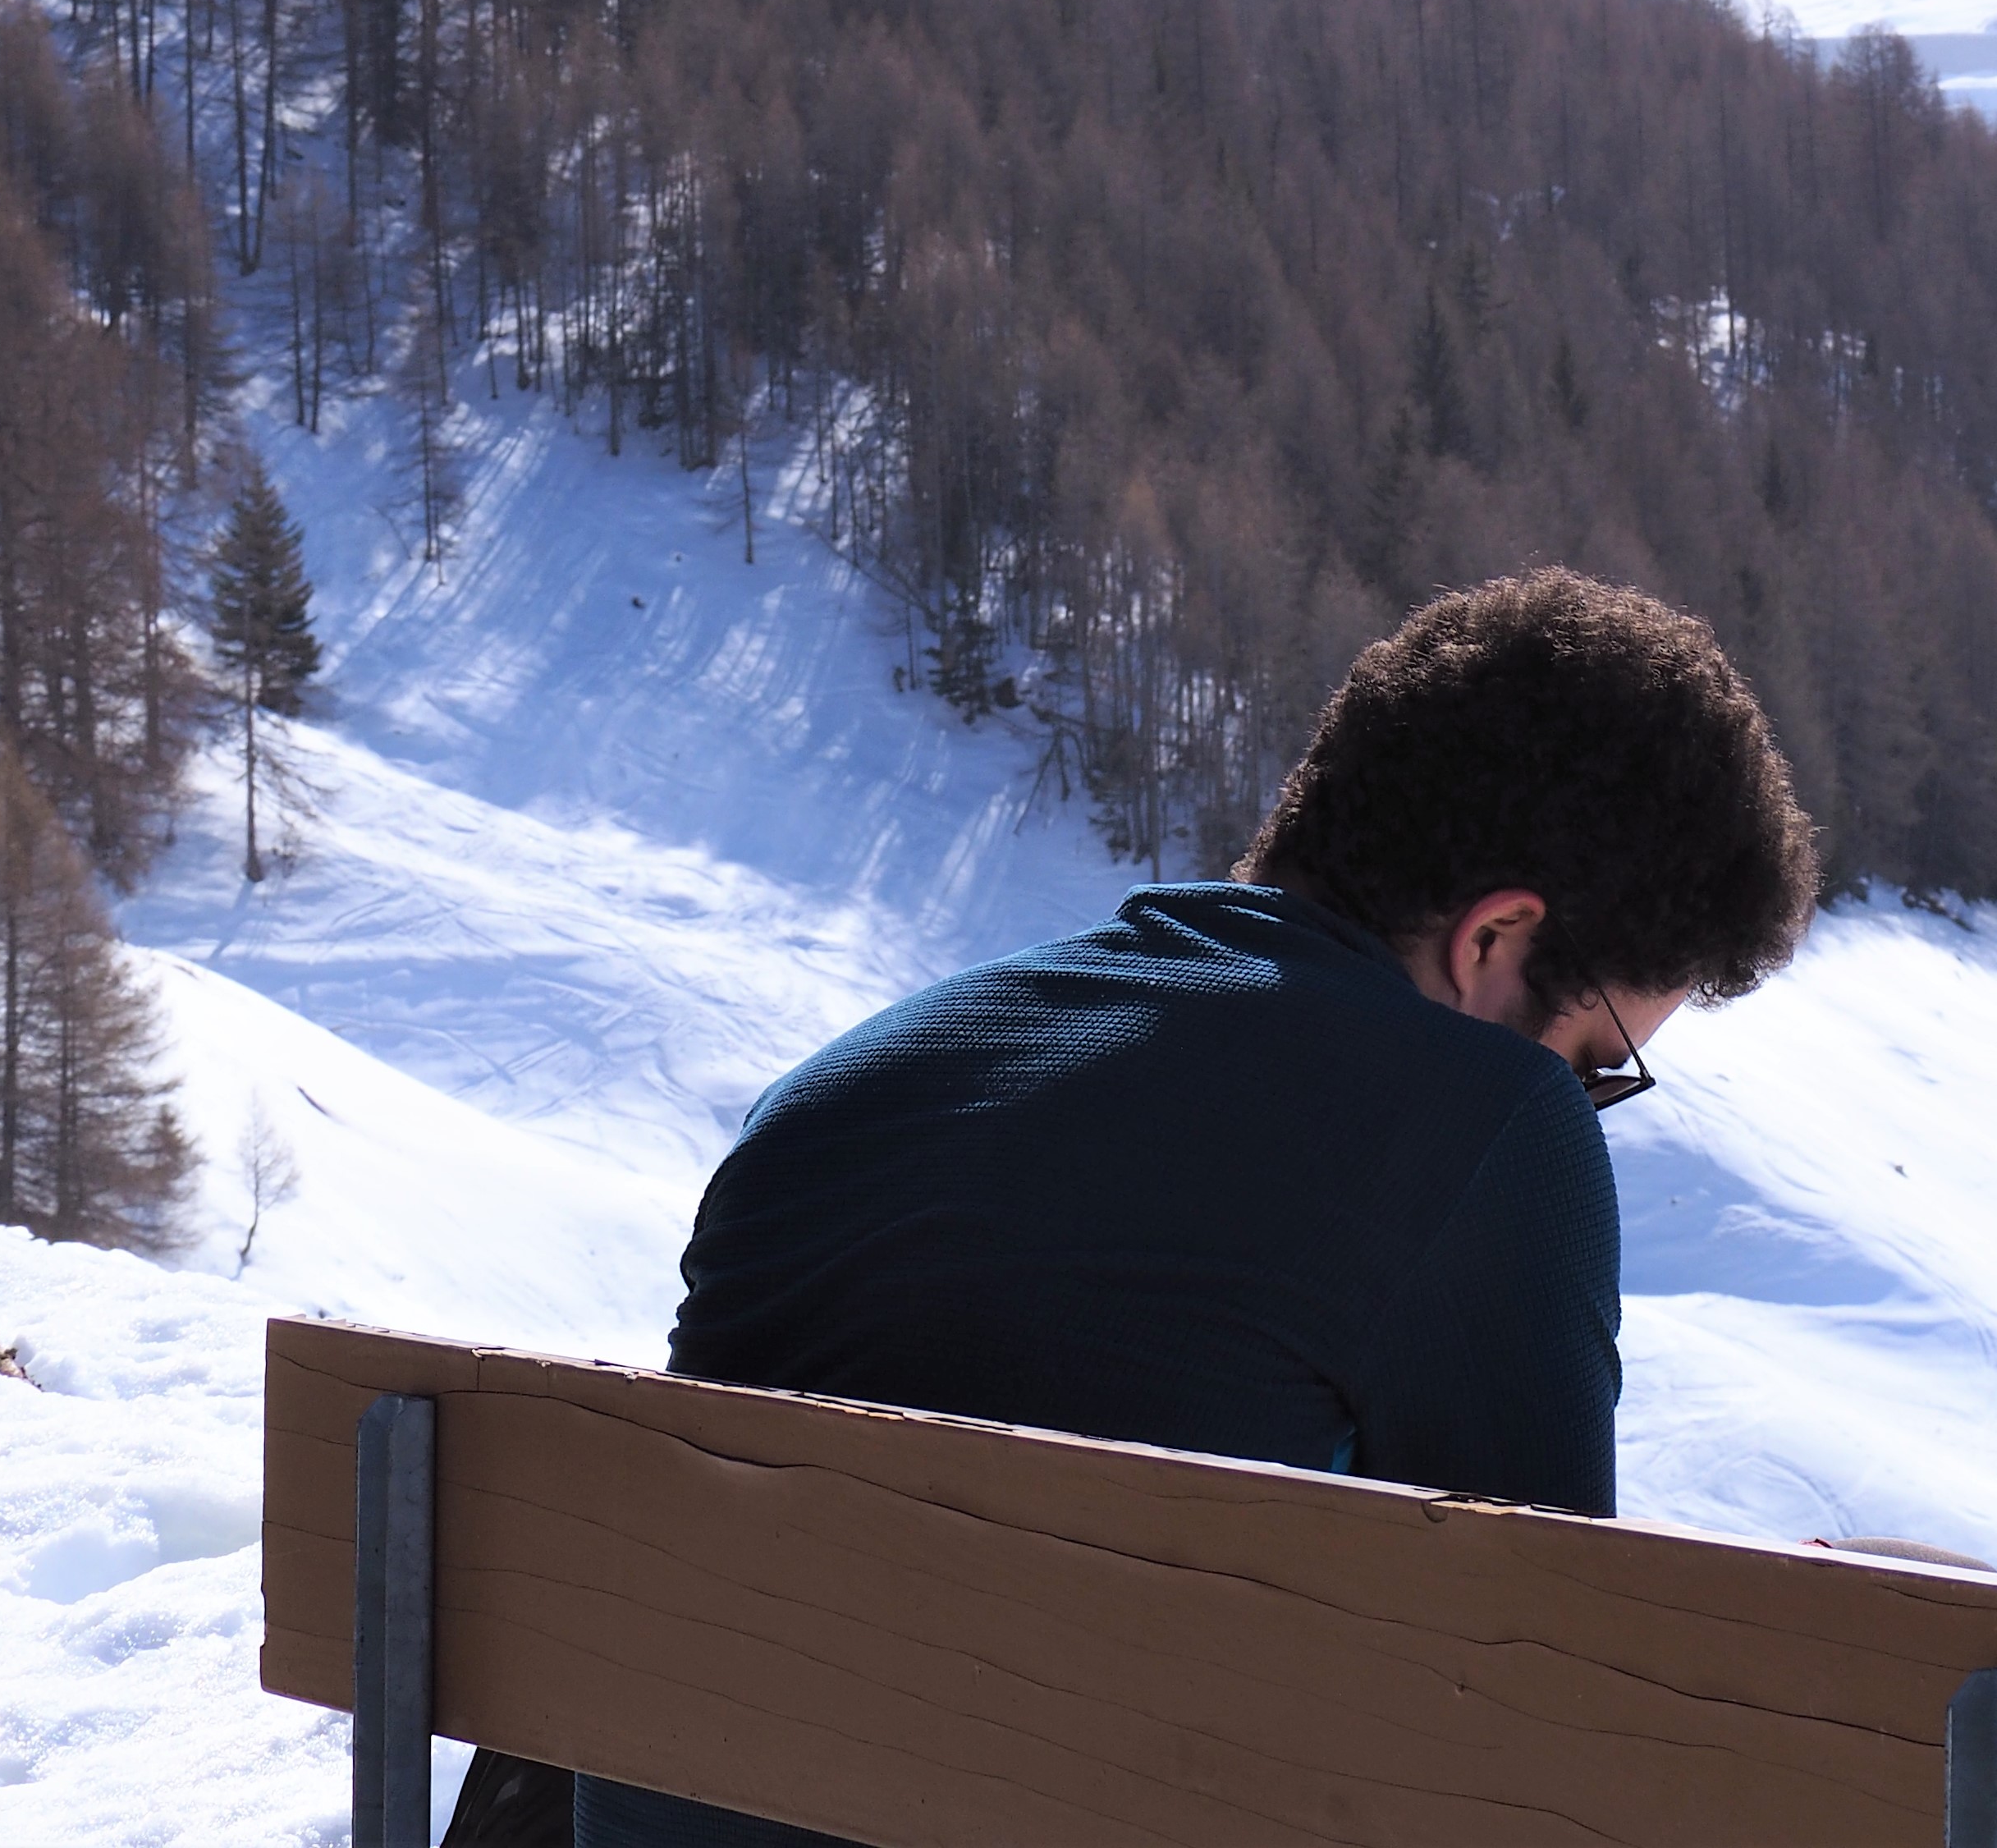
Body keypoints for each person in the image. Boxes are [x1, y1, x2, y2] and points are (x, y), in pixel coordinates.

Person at [562, 567, 1817, 1848]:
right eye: (1602, 1058)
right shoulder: (1485, 1122)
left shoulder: (845, 1084)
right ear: (1496, 940)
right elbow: (1542, 1713)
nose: (1584, 1095)